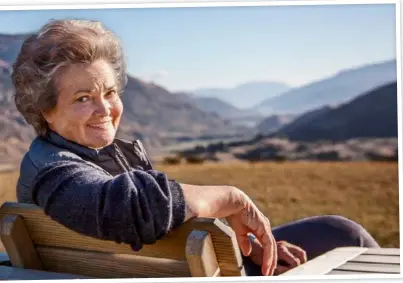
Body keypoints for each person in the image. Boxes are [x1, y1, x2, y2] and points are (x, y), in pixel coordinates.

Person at [12, 19, 379, 277]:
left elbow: (156, 224)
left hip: (193, 267)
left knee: (339, 233)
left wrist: (241, 247)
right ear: (44, 109)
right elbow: (133, 209)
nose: (105, 109)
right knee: (343, 235)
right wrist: (230, 196)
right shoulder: (55, 173)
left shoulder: (77, 159)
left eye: (109, 92)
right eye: (82, 98)